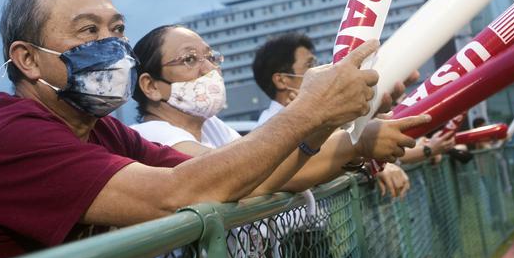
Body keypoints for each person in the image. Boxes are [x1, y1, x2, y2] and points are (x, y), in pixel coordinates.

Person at [0, 0, 388, 258]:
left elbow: (235, 182)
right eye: (87, 32)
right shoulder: (9, 136)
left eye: (117, 30)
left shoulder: (99, 130)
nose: (112, 47)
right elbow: (178, 194)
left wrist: (320, 122)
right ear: (27, 60)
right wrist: (308, 111)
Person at [129, 26, 423, 194]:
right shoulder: (151, 135)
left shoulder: (214, 127)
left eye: (211, 57)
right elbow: (244, 175)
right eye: (190, 60)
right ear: (151, 86)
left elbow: (273, 167)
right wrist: (355, 141)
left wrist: (351, 131)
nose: (209, 69)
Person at [252, 33, 415, 198]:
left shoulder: (313, 121)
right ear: (282, 80)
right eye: (310, 65)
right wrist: (361, 149)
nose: (319, 71)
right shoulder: (269, 131)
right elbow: (294, 172)